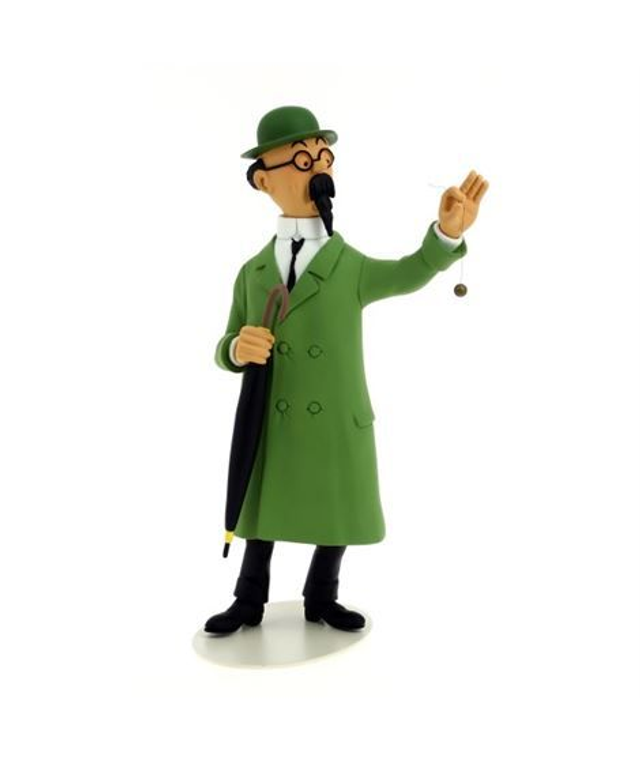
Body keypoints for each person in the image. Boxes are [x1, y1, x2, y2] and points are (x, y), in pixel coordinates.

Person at [204, 105, 489, 634]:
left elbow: (408, 273)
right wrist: (238, 349)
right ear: (263, 180)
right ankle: (248, 599)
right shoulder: (252, 272)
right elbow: (225, 344)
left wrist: (445, 236)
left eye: (324, 158)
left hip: (334, 417)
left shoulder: (348, 265)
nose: (318, 169)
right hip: (272, 420)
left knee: (334, 509)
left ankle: (322, 595)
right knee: (260, 510)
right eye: (301, 160)